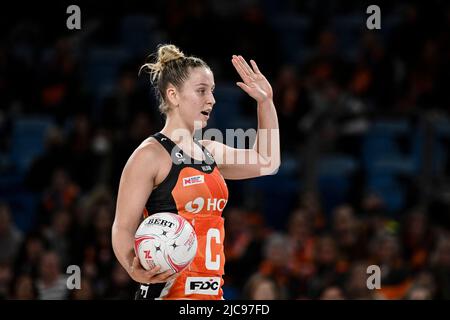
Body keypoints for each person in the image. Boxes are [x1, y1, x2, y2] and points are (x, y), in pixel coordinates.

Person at [111, 44, 280, 300]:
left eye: (211, 91)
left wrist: (265, 102)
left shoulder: (210, 150)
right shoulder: (150, 155)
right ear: (173, 95)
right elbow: (122, 228)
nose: (211, 99)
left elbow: (268, 162)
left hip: (211, 296)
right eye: (201, 91)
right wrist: (132, 268)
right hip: (166, 293)